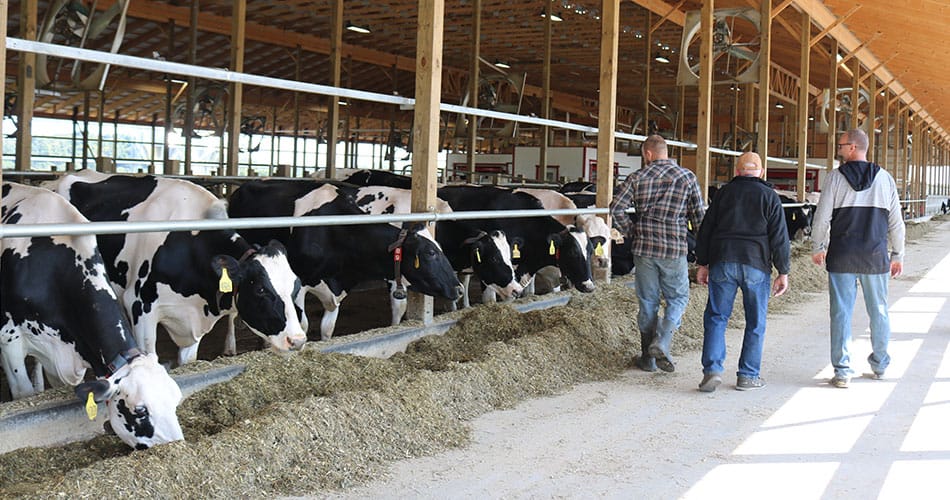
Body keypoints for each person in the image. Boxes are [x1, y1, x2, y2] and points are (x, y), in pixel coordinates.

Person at [811, 128, 905, 388]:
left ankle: (842, 371)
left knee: (841, 312)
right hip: (875, 257)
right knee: (880, 311)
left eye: (841, 145)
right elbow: (896, 222)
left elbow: (822, 218)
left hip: (842, 256)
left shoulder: (835, 179)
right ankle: (880, 365)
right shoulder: (885, 179)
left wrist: (818, 246)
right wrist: (898, 253)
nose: (838, 149)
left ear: (853, 147)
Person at [694, 152, 790, 392]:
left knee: (717, 317)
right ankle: (748, 375)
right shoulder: (769, 196)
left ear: (736, 172)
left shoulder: (723, 194)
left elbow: (705, 230)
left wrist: (703, 263)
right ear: (762, 172)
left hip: (723, 261)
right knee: (755, 322)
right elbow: (780, 238)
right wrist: (783, 271)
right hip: (755, 264)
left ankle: (712, 370)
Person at [610, 135, 706, 373]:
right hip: (674, 248)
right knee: (678, 298)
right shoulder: (687, 177)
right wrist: (702, 248)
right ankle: (662, 341)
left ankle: (648, 358)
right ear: (665, 152)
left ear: (648, 154)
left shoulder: (637, 177)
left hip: (644, 250)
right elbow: (699, 217)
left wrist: (632, 231)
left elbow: (615, 208)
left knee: (647, 301)